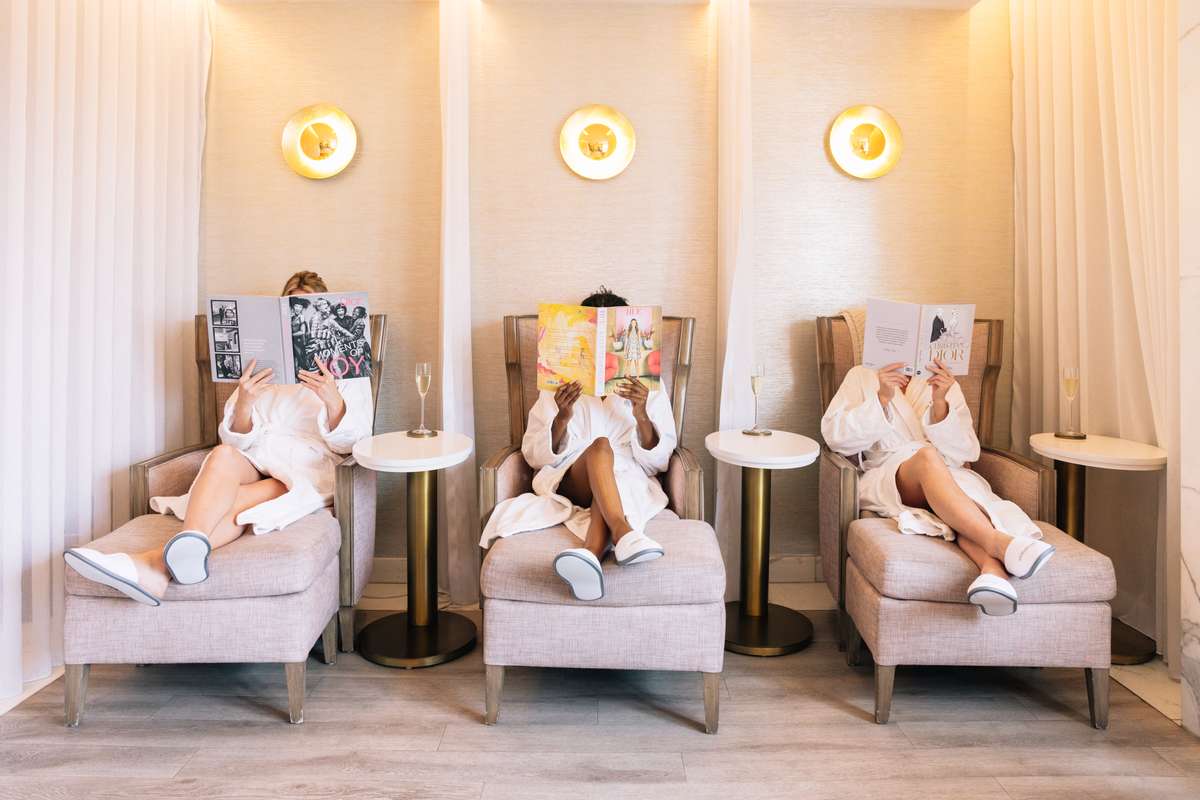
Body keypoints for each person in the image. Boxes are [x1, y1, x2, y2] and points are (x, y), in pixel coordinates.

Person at [63, 270, 374, 606]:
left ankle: (152, 564)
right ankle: (161, 563)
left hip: (306, 467)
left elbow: (352, 444)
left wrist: (332, 398)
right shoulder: (262, 368)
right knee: (222, 455)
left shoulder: (345, 371)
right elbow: (234, 440)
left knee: (236, 501)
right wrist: (245, 400)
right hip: (258, 454)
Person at [480, 288, 676, 602]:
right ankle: (623, 532)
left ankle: (589, 555)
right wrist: (562, 416)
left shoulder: (646, 384)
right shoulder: (559, 380)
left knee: (609, 475)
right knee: (600, 447)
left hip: (623, 477)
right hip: (574, 477)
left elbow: (661, 459)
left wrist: (641, 414)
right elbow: (534, 455)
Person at [821, 359, 1055, 616]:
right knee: (926, 458)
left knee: (962, 510)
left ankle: (994, 575)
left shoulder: (941, 379)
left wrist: (941, 403)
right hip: (892, 474)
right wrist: (882, 398)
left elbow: (967, 451)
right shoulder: (862, 375)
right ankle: (999, 542)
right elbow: (836, 438)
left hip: (948, 474)